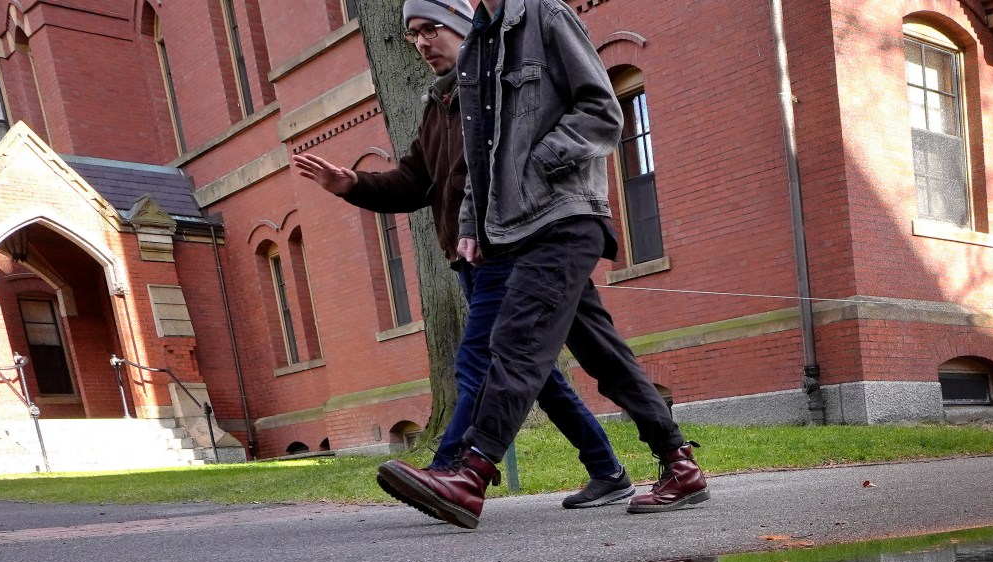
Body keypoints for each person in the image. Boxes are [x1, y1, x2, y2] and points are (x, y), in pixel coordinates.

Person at [374, 0, 706, 528]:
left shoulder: (545, 17)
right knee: (604, 357)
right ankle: (680, 465)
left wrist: (539, 165)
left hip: (563, 217)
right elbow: (476, 159)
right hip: (512, 227)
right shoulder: (478, 46)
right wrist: (470, 228)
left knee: (518, 341)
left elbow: (602, 108)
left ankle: (469, 474)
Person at [293, 0, 632, 509]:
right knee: (538, 376)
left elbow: (561, 134)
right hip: (467, 257)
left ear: (462, 27)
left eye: (432, 28)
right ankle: (608, 470)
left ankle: (451, 469)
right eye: (413, 35)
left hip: (510, 248)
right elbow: (414, 182)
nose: (424, 43)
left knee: (480, 358)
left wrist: (529, 184)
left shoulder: (495, 91)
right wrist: (352, 184)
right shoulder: (438, 106)